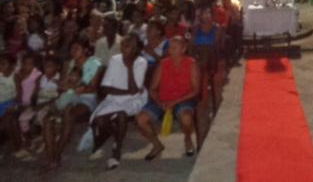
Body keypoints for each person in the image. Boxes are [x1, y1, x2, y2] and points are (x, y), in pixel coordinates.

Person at [42, 37, 102, 171]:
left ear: (86, 50)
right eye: (71, 48)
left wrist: (70, 86)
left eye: (77, 48)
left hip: (86, 98)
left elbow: (92, 88)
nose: (73, 51)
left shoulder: (94, 63)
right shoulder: (68, 64)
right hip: (68, 96)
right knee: (47, 120)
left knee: (68, 115)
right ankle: (51, 157)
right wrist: (72, 87)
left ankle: (57, 155)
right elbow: (61, 86)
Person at [89, 34, 148, 169]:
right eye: (123, 44)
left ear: (135, 49)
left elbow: (134, 92)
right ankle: (117, 135)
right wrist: (126, 91)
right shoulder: (115, 59)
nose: (123, 48)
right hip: (114, 98)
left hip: (134, 100)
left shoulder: (141, 62)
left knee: (121, 114)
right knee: (100, 121)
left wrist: (129, 68)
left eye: (128, 46)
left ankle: (117, 149)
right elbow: (104, 88)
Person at [135, 36, 200, 160]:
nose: (170, 50)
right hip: (163, 100)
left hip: (183, 99)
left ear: (183, 49)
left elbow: (195, 90)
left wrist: (175, 102)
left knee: (186, 117)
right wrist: (159, 102)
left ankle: (187, 138)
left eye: (174, 48)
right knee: (140, 119)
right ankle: (157, 144)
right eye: (169, 47)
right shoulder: (163, 64)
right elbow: (153, 88)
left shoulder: (191, 64)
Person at [0, 53, 20, 150]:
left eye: (3, 64)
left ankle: (17, 146)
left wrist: (13, 105)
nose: (0, 66)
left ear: (12, 66)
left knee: (8, 122)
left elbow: (19, 93)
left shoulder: (14, 77)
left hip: (10, 103)